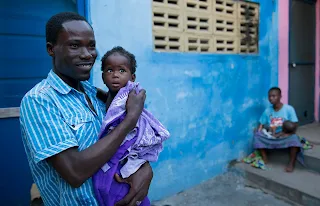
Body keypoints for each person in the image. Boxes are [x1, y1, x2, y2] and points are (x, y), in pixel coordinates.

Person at [20, 12, 152, 206]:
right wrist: (130, 119)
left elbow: (122, 145)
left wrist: (144, 168)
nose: (87, 54)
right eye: (74, 46)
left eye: (91, 45)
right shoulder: (40, 101)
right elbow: (75, 172)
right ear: (51, 49)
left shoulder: (94, 93)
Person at [93, 46, 170, 206]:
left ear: (132, 77)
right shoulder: (108, 96)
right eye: (109, 70)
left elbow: (129, 122)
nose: (115, 75)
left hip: (125, 149)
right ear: (102, 76)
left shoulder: (129, 96)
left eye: (122, 71)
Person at [254, 87, 302, 172]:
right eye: (269, 96)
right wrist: (259, 130)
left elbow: (295, 125)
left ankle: (291, 163)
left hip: (285, 134)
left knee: (294, 139)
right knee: (257, 134)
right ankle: (265, 157)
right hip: (271, 134)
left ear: (280, 96)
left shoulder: (289, 109)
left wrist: (286, 133)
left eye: (274, 96)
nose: (271, 98)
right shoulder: (267, 111)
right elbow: (261, 124)